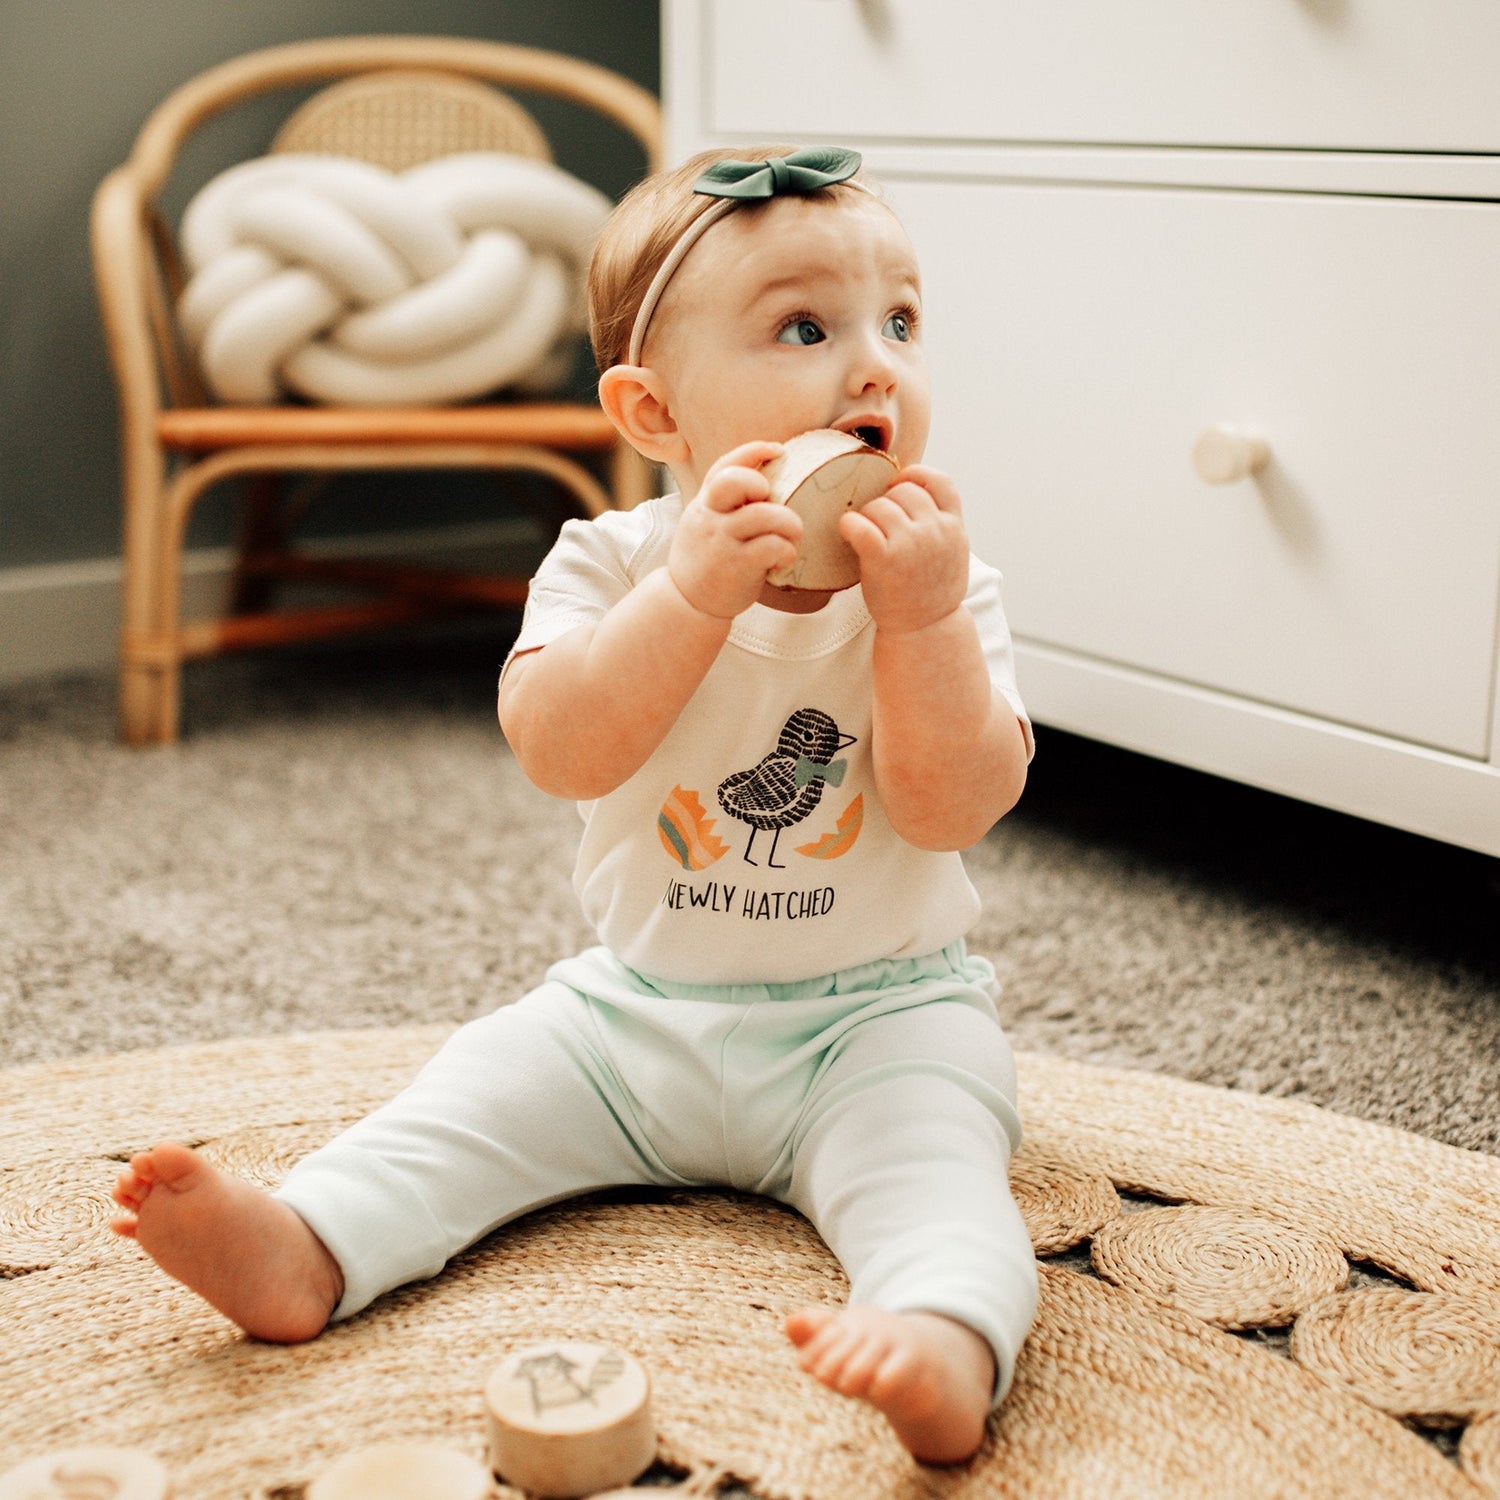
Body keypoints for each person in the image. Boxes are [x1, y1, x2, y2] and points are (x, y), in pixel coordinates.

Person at [111, 145, 1039, 1467]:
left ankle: (943, 1334)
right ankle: (308, 1243)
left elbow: (954, 810)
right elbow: (562, 748)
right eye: (805, 328)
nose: (876, 367)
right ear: (654, 413)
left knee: (941, 1179)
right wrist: (693, 594)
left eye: (900, 322)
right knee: (465, 1102)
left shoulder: (944, 581)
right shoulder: (609, 559)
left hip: (881, 1021)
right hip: (634, 1015)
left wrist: (924, 624)